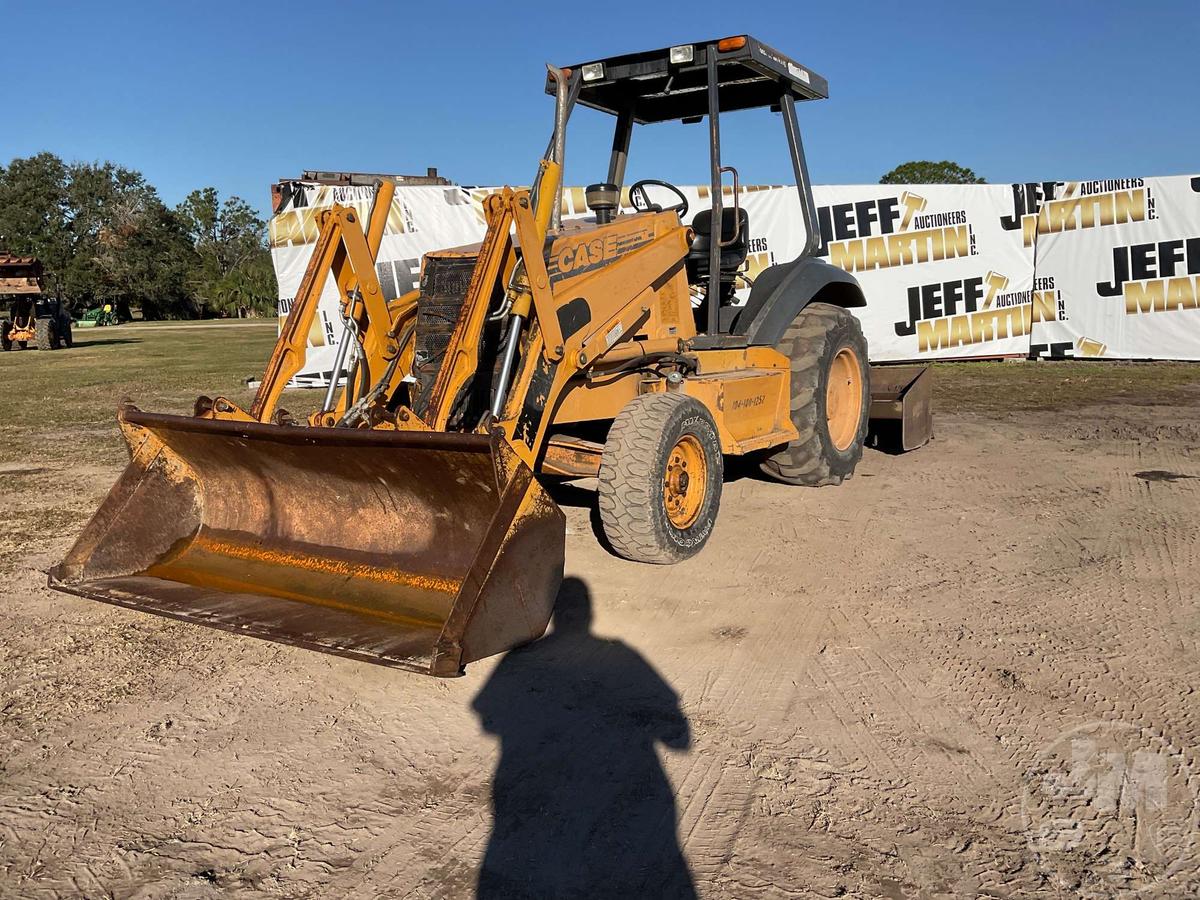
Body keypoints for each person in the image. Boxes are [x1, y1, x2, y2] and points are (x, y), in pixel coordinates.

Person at [473, 577, 695, 899]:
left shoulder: (521, 658)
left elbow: (487, 715)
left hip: (538, 795)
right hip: (614, 799)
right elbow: (679, 736)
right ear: (589, 613)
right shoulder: (620, 655)